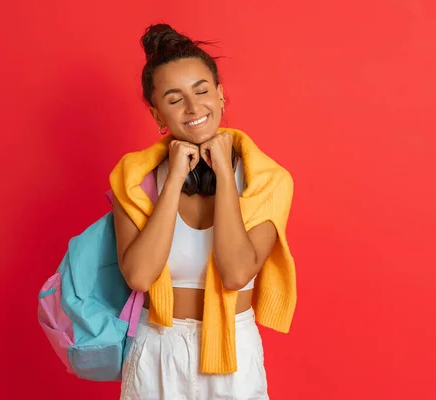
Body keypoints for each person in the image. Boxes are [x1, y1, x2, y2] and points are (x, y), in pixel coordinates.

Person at [109, 23, 297, 399]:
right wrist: (175, 175)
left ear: (221, 96)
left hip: (233, 352)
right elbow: (140, 276)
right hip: (157, 347)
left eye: (202, 91)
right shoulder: (134, 176)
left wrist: (225, 170)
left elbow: (236, 272)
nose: (194, 107)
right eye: (175, 99)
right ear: (157, 113)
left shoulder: (267, 179)